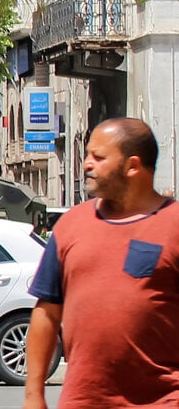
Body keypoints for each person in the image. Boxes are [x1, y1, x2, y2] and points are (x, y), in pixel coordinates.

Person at [24, 118, 179, 408]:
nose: (86, 164)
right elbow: (46, 314)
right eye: (86, 155)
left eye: (99, 157)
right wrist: (34, 396)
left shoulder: (175, 225)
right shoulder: (71, 225)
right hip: (83, 400)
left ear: (132, 166)